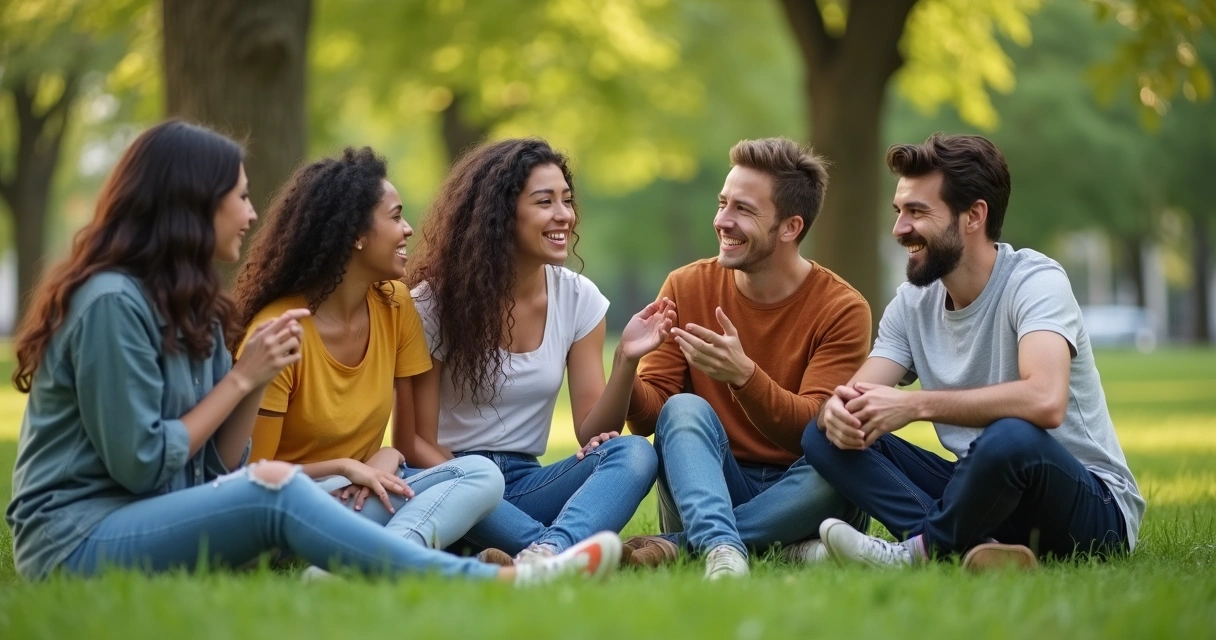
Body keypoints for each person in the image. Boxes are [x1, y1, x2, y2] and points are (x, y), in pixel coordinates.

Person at [5, 120, 619, 583]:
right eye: (239, 197)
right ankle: (501, 578)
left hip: (175, 513)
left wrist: (359, 454)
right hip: (73, 536)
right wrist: (243, 381)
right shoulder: (113, 302)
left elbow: (222, 472)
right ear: (191, 202)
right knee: (274, 488)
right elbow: (144, 464)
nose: (251, 214)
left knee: (452, 476)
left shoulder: (193, 306)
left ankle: (352, 565)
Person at [802, 133, 1144, 570]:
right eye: (899, 211)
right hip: (986, 493)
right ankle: (970, 548)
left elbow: (1044, 400)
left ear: (973, 216)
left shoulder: (1036, 282)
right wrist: (839, 410)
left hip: (1093, 509)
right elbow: (857, 397)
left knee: (1011, 435)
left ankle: (919, 552)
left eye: (917, 212)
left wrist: (914, 406)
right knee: (824, 434)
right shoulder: (912, 303)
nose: (899, 228)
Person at [229, 148, 505, 573]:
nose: (408, 229)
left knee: (481, 475)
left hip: (367, 494)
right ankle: (392, 558)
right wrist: (345, 466)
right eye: (395, 217)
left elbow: (409, 439)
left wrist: (389, 455)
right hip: (288, 510)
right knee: (462, 488)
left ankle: (365, 563)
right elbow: (253, 478)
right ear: (355, 233)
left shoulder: (393, 304)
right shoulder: (281, 331)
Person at [621, 138, 872, 579]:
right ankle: (767, 547)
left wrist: (744, 377)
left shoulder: (842, 309)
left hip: (803, 492)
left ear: (790, 227)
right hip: (710, 485)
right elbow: (649, 419)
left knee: (844, 456)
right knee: (683, 409)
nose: (722, 221)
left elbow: (814, 432)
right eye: (722, 204)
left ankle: (693, 546)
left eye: (743, 210)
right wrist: (626, 364)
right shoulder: (686, 286)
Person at [407, 138, 662, 565]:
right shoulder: (433, 303)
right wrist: (474, 482)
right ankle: (572, 552)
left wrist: (626, 361)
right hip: (451, 478)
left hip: (527, 481)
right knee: (457, 485)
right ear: (501, 215)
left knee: (635, 452)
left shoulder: (578, 299)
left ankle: (546, 551)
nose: (564, 214)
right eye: (545, 202)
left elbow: (591, 431)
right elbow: (417, 441)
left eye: (566, 200)